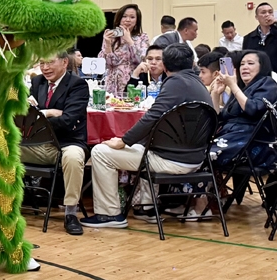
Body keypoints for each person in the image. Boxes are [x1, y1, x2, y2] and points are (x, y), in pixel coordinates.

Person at [81, 43, 213, 227]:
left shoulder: (175, 83)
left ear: (165, 66)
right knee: (143, 146)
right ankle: (147, 208)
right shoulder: (198, 83)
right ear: (192, 63)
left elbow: (152, 116)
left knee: (100, 152)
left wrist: (124, 140)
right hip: (197, 158)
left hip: (173, 160)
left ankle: (109, 214)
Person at [22, 51, 89, 235]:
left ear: (65, 62)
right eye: (42, 63)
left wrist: (41, 115)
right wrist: (50, 112)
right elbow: (27, 116)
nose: (45, 68)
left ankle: (70, 213)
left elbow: (68, 121)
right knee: (4, 148)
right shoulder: (37, 82)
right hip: (39, 143)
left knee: (73, 158)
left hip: (67, 142)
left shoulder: (77, 85)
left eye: (50, 62)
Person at [210, 50, 277, 169]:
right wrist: (215, 94)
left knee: (202, 157)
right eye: (242, 64)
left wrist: (233, 85)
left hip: (252, 142)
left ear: (262, 66)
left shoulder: (267, 83)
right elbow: (219, 119)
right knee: (195, 153)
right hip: (230, 137)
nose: (245, 67)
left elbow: (253, 109)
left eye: (250, 63)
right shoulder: (241, 89)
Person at [99, 4, 150, 97]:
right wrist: (107, 44)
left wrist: (129, 40)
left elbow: (141, 60)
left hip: (133, 81)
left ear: (137, 20)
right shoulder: (111, 37)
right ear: (119, 18)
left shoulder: (142, 37)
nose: (128, 20)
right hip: (113, 83)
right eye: (124, 16)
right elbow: (107, 64)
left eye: (132, 17)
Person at [242, 3, 277, 70]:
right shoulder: (248, 38)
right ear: (256, 17)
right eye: (263, 12)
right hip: (257, 74)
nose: (267, 15)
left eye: (270, 12)